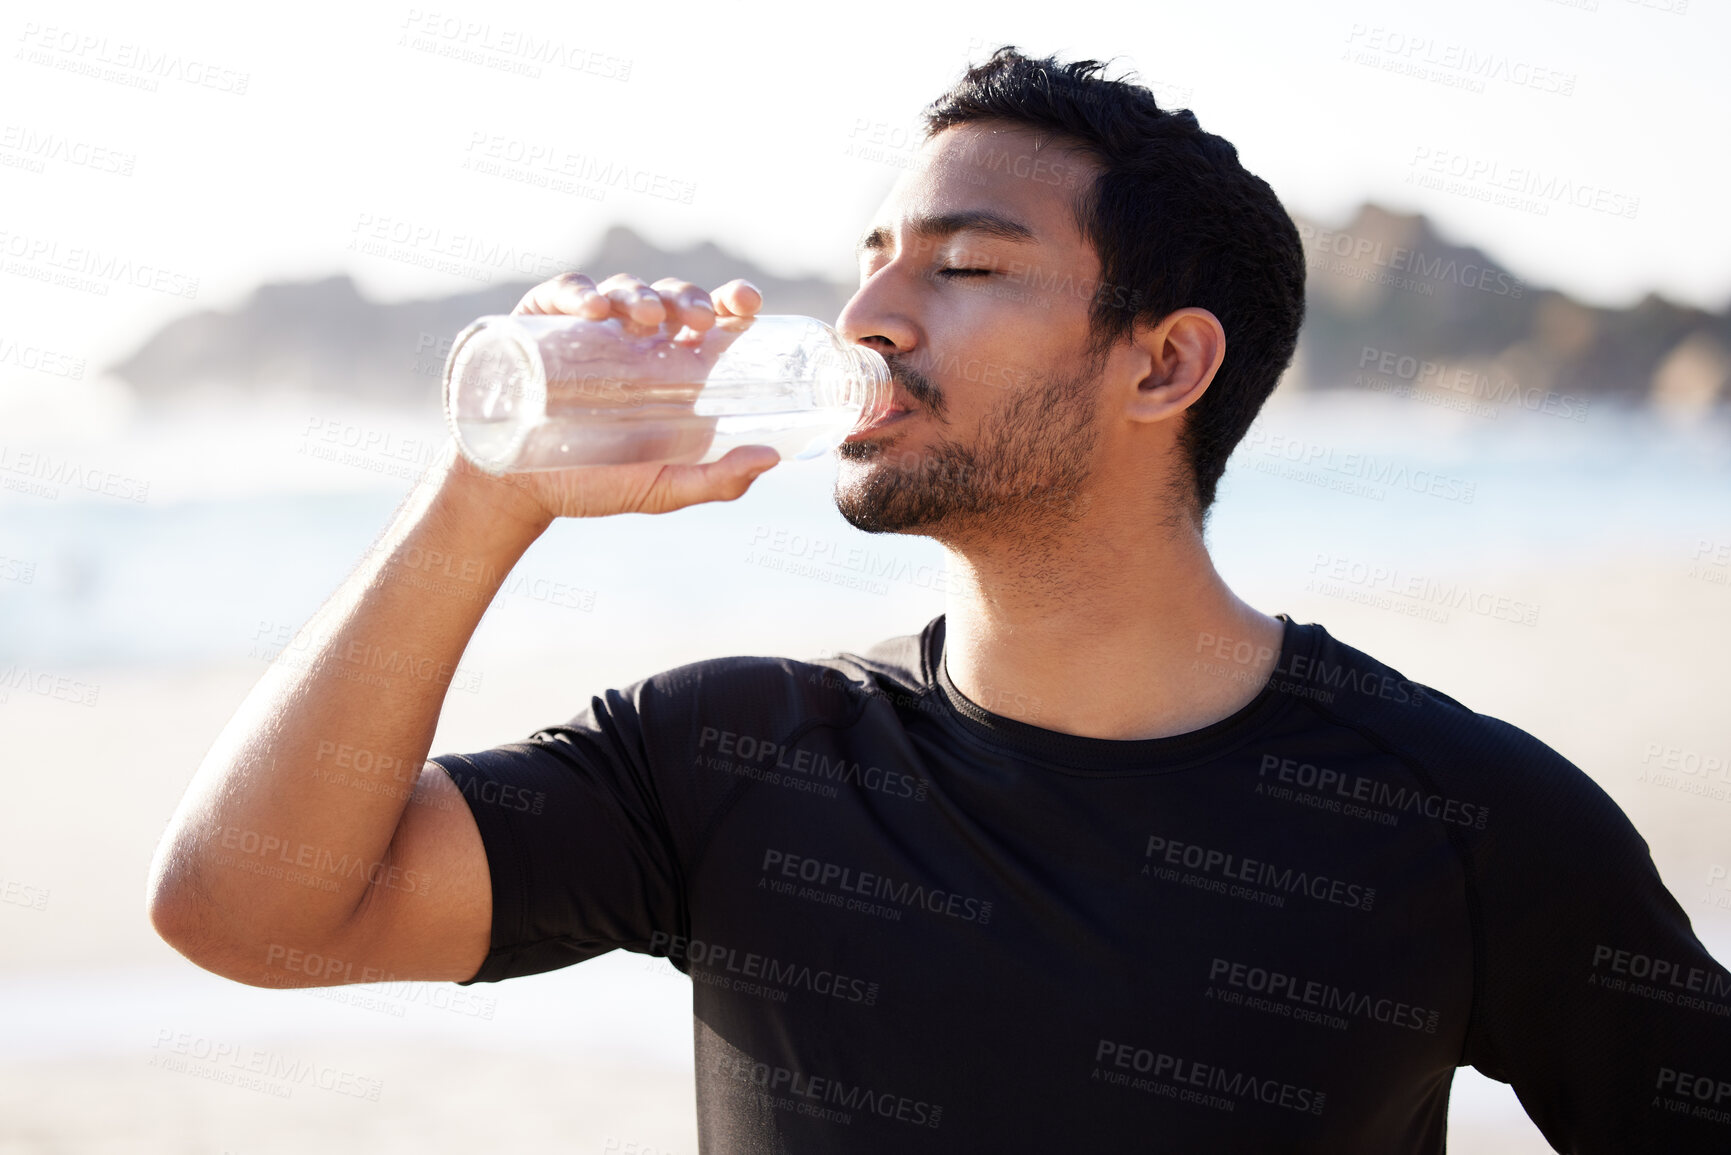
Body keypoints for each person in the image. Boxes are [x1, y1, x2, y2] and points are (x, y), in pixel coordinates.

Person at [148, 47, 1729, 1153]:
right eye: (874, 259)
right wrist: (483, 496)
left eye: (963, 269)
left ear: (1163, 360)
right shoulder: (731, 755)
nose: (869, 317)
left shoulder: (1462, 817)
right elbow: (249, 912)